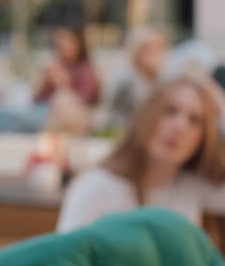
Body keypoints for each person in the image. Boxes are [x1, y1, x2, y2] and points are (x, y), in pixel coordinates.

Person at [57, 76, 225, 233]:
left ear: (203, 138)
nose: (179, 126)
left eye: (194, 120)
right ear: (147, 115)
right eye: (170, 111)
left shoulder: (192, 186)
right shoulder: (97, 186)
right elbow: (64, 257)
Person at [107, 26, 168, 130]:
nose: (155, 53)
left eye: (159, 48)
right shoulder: (125, 78)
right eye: (149, 49)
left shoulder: (163, 78)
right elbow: (111, 112)